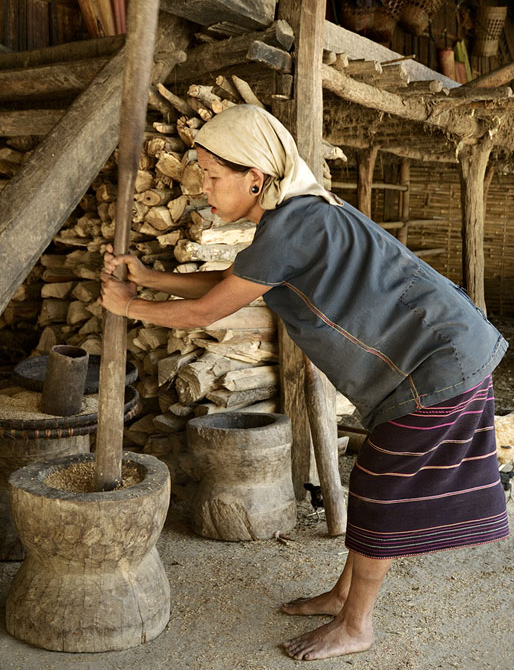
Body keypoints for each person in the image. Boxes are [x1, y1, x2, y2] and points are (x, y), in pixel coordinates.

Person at [100, 104, 509, 661]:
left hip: (437, 360)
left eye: (213, 176)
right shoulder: (294, 217)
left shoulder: (294, 223)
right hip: (442, 348)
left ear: (256, 178)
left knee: (379, 489)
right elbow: (234, 280)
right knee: (375, 483)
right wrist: (151, 278)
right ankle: (343, 595)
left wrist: (131, 304)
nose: (203, 189)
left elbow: (208, 311)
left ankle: (357, 624)